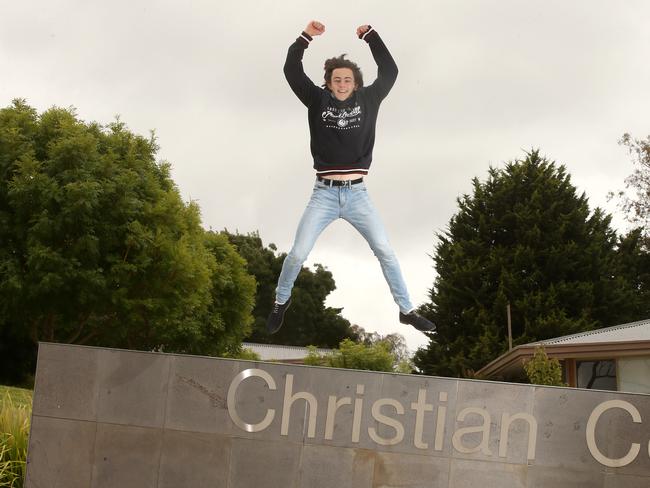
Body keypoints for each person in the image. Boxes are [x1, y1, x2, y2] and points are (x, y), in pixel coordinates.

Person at [266, 20, 436, 335]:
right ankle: (280, 301)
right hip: (324, 194)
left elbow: (390, 71)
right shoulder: (317, 100)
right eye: (336, 80)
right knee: (298, 252)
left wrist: (372, 37)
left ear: (355, 83)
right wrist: (305, 38)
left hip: (358, 195)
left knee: (384, 249)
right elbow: (292, 70)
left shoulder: (369, 100)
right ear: (328, 84)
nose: (342, 84)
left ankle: (407, 310)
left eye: (347, 79)